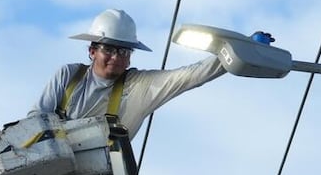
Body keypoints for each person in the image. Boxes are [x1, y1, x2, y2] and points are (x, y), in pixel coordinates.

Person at [29, 8, 226, 137]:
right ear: (92, 51)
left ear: (130, 57)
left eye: (123, 51)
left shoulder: (138, 88)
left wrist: (229, 56)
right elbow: (35, 120)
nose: (116, 57)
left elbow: (188, 76)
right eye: (108, 49)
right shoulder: (69, 75)